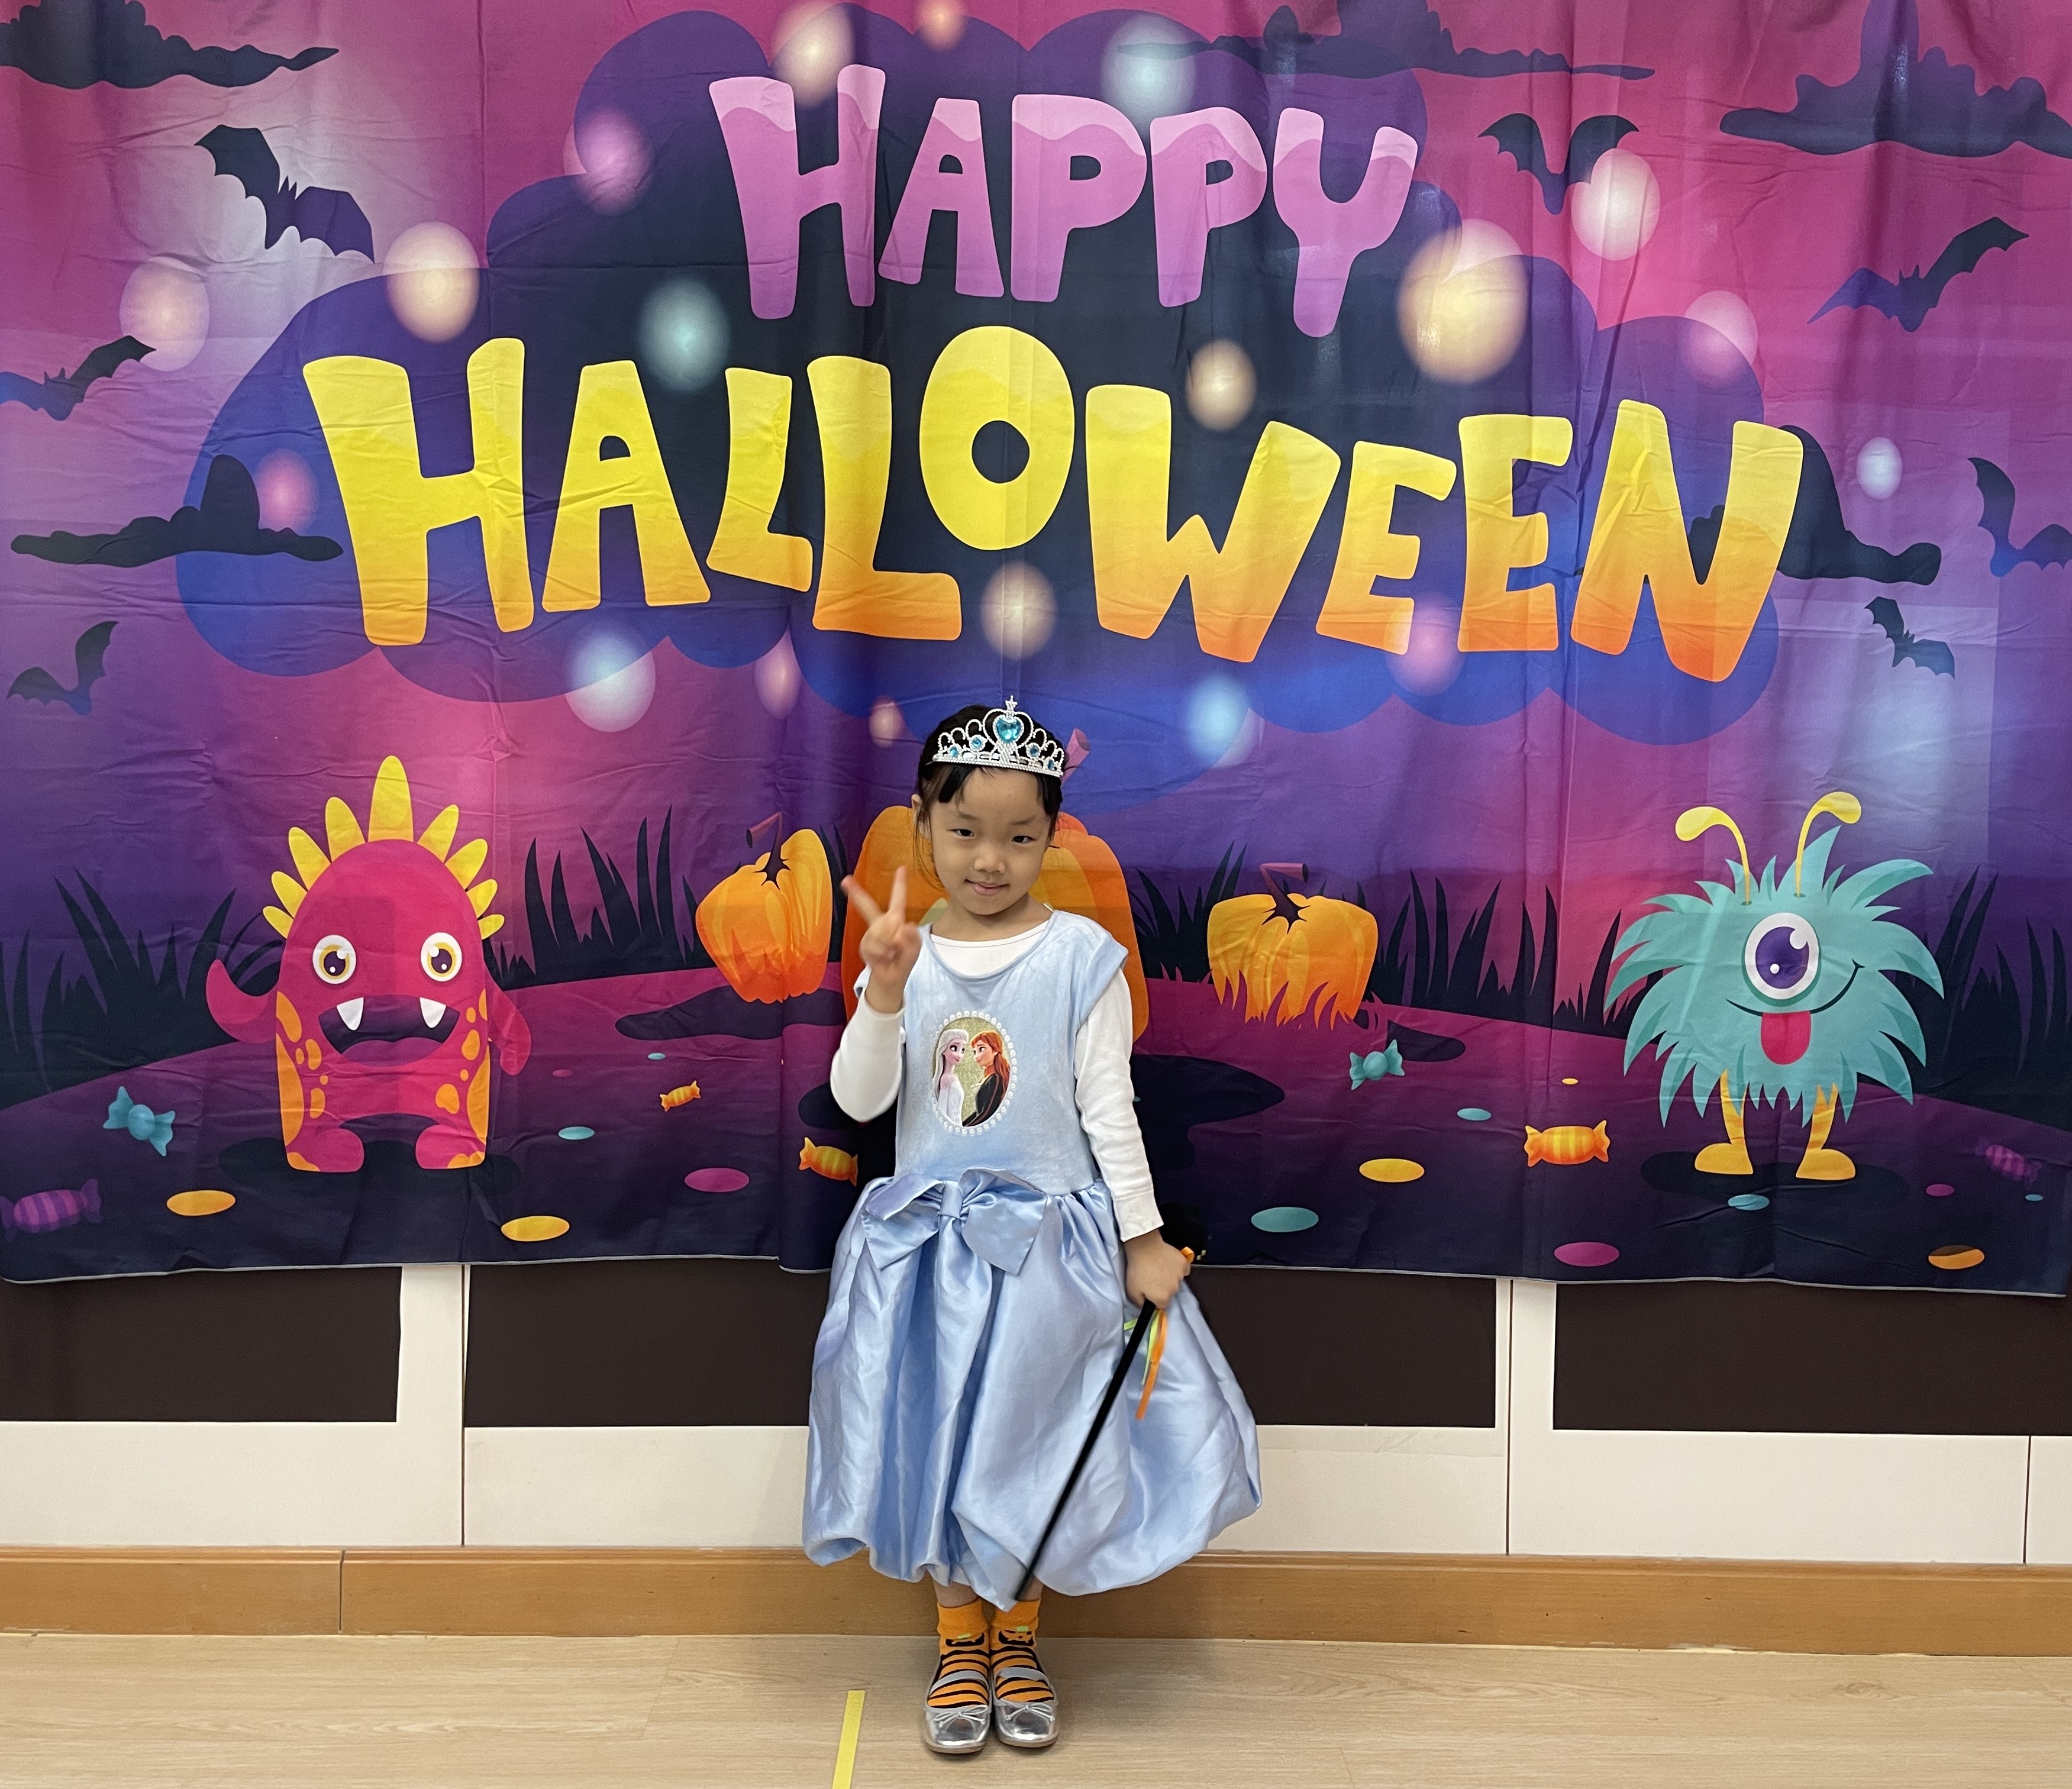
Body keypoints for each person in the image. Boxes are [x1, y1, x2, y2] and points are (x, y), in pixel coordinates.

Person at [804, 697, 1260, 1755]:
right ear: (923, 823)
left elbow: (1109, 1109)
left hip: (1049, 1257)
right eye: (964, 830)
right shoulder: (904, 956)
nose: (989, 858)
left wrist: (1141, 1239)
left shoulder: (1081, 957)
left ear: (1051, 835)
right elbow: (860, 1101)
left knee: (1033, 1446)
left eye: (1018, 836)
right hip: (928, 1256)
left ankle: (1017, 1638)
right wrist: (882, 991)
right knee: (943, 1443)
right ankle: (957, 1640)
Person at [961, 1029, 1008, 1126]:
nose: (976, 1057)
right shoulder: (987, 1077)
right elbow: (979, 1112)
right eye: (975, 1052)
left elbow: (987, 1113)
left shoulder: (996, 1079)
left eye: (981, 1049)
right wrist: (962, 1125)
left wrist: (967, 1129)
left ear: (995, 1050)